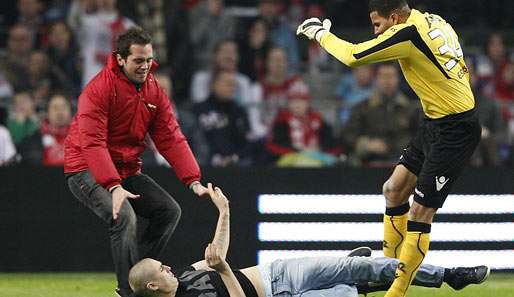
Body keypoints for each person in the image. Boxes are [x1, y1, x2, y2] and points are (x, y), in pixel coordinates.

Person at [296, 1, 482, 296]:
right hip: (435, 120)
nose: (376, 32)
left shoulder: (407, 33)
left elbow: (353, 57)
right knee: (393, 190)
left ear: (394, 18)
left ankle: (395, 292)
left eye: (378, 25)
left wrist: (319, 33)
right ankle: (386, 268)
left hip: (455, 130)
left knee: (419, 214)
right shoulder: (432, 20)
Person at [128, 184, 490, 297]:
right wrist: (223, 270)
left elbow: (216, 256)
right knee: (348, 292)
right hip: (279, 296)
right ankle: (355, 284)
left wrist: (224, 212)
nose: (167, 265)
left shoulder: (184, 275)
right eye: (161, 269)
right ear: (153, 286)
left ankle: (448, 275)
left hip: (277, 271)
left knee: (364, 265)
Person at [64, 27, 210, 297]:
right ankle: (127, 291)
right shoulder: (97, 90)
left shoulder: (153, 90)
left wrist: (193, 180)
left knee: (169, 211)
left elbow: (170, 137)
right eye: (138, 61)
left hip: (125, 169)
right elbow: (92, 143)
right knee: (124, 217)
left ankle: (141, 277)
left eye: (148, 60)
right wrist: (113, 186)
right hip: (84, 168)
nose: (145, 66)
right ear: (120, 59)